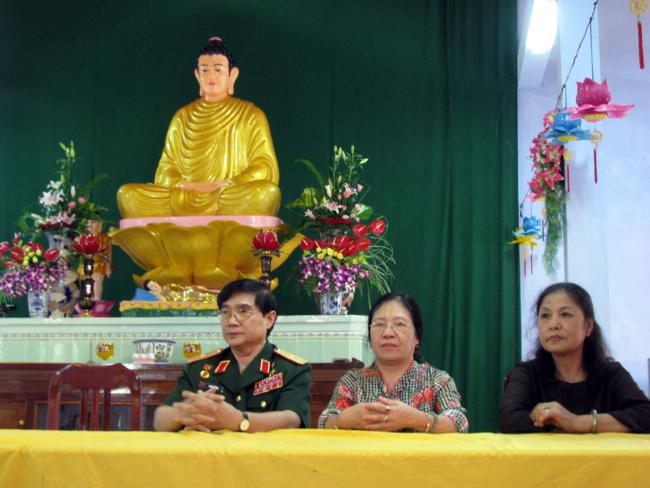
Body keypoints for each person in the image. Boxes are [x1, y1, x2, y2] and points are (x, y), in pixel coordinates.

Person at [117, 37, 280, 218]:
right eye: (205, 70)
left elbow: (265, 166)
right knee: (128, 194)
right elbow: (165, 168)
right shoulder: (182, 117)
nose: (211, 76)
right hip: (185, 194)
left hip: (228, 194)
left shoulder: (251, 115)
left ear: (232, 75)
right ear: (197, 75)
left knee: (265, 193)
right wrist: (184, 184)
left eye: (218, 69)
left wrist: (230, 183)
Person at [153, 279, 311, 432]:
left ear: (269, 319)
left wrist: (238, 421)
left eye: (243, 311)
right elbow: (160, 419)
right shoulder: (200, 368)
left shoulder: (291, 369)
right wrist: (188, 413)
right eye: (225, 312)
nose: (231, 321)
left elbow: (291, 419)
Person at [499, 282, 650, 433]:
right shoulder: (526, 373)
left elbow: (645, 414)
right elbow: (509, 420)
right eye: (545, 316)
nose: (553, 324)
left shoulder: (611, 373)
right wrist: (562, 421)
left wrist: (576, 422)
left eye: (565, 314)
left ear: (588, 326)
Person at [318, 292, 469, 433]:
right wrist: (343, 420)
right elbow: (324, 422)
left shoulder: (438, 380)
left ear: (417, 337)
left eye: (399, 324)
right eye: (379, 324)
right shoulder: (352, 381)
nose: (387, 333)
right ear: (369, 338)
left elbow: (459, 423)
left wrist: (417, 420)